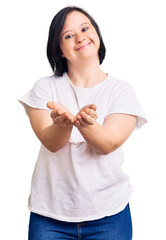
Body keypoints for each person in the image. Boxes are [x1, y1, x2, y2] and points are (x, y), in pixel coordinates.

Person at [19, 6, 147, 240]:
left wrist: (86, 124)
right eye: (68, 35)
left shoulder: (121, 91)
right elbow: (51, 142)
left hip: (110, 216)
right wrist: (62, 124)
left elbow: (108, 143)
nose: (79, 37)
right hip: (49, 218)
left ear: (96, 34)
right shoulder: (45, 88)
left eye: (85, 28)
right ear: (59, 50)